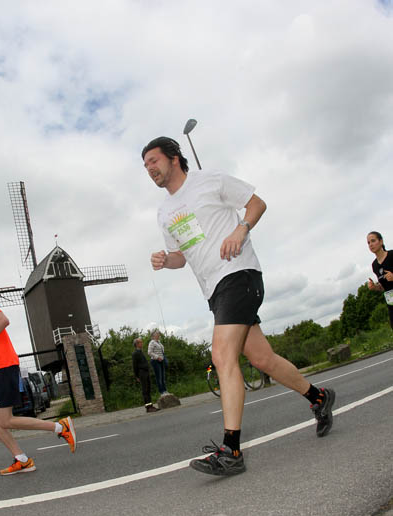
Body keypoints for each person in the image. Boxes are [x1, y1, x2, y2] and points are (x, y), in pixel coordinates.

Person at [143, 136, 335, 477]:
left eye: (153, 161)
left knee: (222, 357)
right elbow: (181, 258)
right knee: (262, 359)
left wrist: (240, 230)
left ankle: (231, 450)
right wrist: (164, 260)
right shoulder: (164, 212)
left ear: (173, 158)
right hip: (214, 290)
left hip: (238, 274)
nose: (149, 169)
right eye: (145, 166)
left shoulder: (209, 180)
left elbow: (257, 204)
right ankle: (319, 397)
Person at [0, 272, 76, 475]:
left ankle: (60, 427)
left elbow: (3, 320)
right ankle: (21, 459)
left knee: (5, 420)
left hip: (4, 367)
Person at [366, 231, 393, 328]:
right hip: (391, 304)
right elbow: (383, 287)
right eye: (368, 243)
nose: (370, 244)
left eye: (373, 241)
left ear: (381, 241)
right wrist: (375, 287)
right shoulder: (374, 265)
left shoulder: (392, 255)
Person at [132, 338, 158, 412]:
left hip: (146, 372)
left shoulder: (141, 352)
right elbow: (134, 366)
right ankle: (148, 407)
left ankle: (151, 406)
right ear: (137, 344)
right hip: (142, 373)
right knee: (145, 390)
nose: (142, 343)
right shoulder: (135, 353)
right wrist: (137, 376)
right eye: (140, 342)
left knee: (148, 389)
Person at [147, 330, 169, 396]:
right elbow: (149, 352)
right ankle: (161, 392)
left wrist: (162, 358)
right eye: (157, 334)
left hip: (161, 360)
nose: (158, 335)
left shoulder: (159, 342)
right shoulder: (152, 342)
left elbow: (162, 352)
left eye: (158, 334)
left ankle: (165, 391)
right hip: (155, 361)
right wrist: (157, 357)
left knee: (163, 377)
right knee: (158, 377)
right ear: (153, 336)